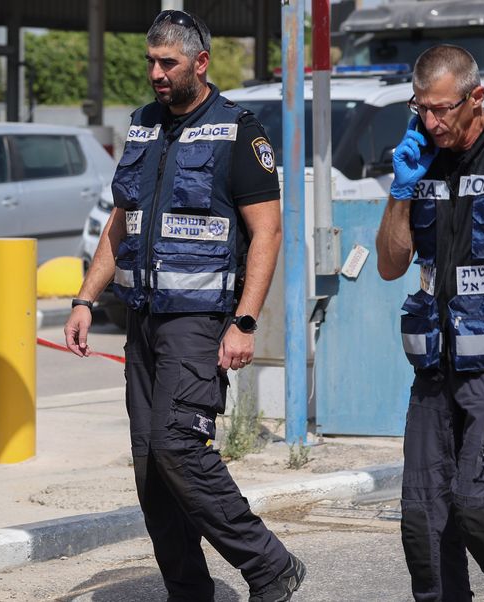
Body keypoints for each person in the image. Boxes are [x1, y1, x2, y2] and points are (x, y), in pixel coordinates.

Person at [64, 10, 303, 602]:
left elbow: (268, 233)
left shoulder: (239, 132)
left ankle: (269, 564)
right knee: (150, 466)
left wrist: (244, 322)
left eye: (167, 62)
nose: (156, 73)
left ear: (201, 63)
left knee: (178, 447)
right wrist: (86, 299)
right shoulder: (143, 126)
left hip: (199, 323)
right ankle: (188, 591)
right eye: (150, 61)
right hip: (143, 318)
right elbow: (122, 221)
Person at [376, 44, 484, 600]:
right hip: (434, 371)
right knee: (422, 522)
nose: (430, 121)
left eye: (443, 108)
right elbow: (390, 263)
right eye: (420, 107)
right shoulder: (418, 159)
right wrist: (401, 192)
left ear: (477, 98)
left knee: (480, 506)